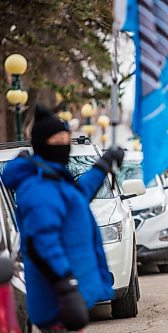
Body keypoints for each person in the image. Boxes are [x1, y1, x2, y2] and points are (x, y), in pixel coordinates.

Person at [2, 106, 124, 333]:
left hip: (65, 297)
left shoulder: (53, 179)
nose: (64, 145)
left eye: (67, 139)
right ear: (42, 144)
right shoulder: (38, 187)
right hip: (56, 300)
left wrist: (103, 165)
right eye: (58, 140)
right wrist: (66, 285)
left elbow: (78, 197)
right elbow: (43, 241)